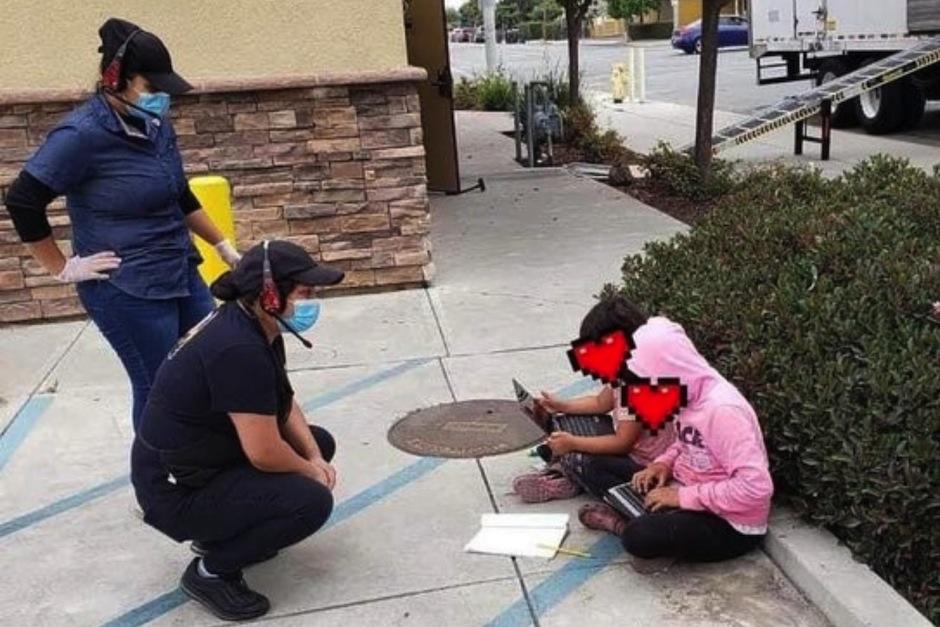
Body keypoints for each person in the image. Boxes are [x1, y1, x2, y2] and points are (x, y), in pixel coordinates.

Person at [3, 17, 240, 431]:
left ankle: (203, 470)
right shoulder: (81, 135)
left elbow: (178, 192)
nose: (162, 99)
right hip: (127, 287)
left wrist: (222, 244)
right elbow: (23, 200)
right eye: (152, 89)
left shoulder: (154, 124)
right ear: (114, 79)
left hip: (177, 269)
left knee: (213, 362)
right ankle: (157, 485)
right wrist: (61, 266)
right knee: (160, 387)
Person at [131, 240, 345, 621]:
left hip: (200, 459)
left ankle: (230, 529)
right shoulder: (238, 349)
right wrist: (310, 471)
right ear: (268, 293)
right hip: (174, 491)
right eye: (305, 292)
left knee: (318, 442)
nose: (312, 302)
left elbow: (281, 401)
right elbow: (263, 452)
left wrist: (312, 455)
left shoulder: (255, 323)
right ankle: (211, 571)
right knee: (311, 500)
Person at [577, 297, 775, 565]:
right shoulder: (686, 393)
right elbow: (687, 442)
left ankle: (626, 525)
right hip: (685, 487)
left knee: (640, 537)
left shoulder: (722, 410)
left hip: (728, 523)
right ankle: (644, 512)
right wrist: (662, 464)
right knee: (594, 465)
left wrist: (682, 497)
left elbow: (756, 488)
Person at [512, 298, 676, 503]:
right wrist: (561, 405)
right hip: (628, 444)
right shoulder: (624, 371)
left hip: (645, 465)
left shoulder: (639, 386)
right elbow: (601, 403)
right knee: (563, 422)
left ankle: (568, 478)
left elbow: (622, 443)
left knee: (588, 463)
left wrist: (574, 443)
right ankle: (564, 465)